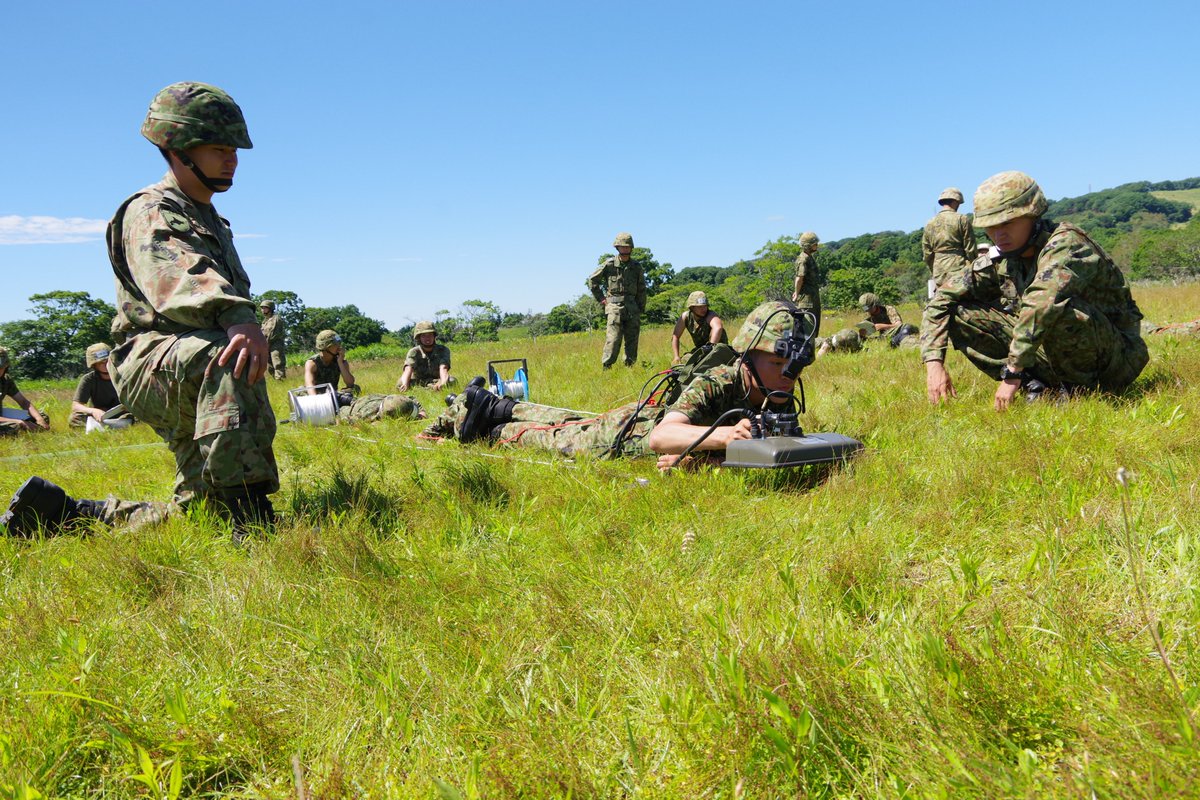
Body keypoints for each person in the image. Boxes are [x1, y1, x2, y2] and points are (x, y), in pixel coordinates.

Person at [3, 81, 276, 537]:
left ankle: (64, 514)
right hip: (152, 359)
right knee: (227, 356)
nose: (232, 158)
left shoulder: (208, 218)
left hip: (180, 364)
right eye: (217, 147)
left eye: (234, 148)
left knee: (198, 509)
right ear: (178, 149)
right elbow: (179, 283)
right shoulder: (152, 210)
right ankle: (250, 517)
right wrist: (240, 318)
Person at [425, 300, 811, 471]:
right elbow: (663, 436)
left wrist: (701, 460)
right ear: (746, 355)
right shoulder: (718, 380)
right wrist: (723, 439)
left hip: (634, 427)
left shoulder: (775, 398)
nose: (786, 377)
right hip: (624, 437)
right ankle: (466, 414)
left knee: (564, 419)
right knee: (543, 435)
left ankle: (491, 404)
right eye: (777, 364)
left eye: (792, 368)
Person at [921, 171, 1148, 411]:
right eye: (990, 227)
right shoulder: (1003, 258)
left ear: (1032, 214)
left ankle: (1079, 392)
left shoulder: (1066, 244)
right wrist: (934, 363)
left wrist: (1012, 372)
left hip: (1116, 360)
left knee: (1057, 309)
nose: (998, 235)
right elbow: (940, 300)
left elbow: (1041, 304)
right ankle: (1037, 386)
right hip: (1053, 355)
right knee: (960, 313)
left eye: (1007, 223)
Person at [303, 329, 424, 423]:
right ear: (327, 347)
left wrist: (340, 362)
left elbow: (349, 382)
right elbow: (310, 386)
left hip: (332, 394)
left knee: (354, 388)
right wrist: (318, 404)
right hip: (315, 396)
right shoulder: (312, 363)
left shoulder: (341, 361)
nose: (340, 347)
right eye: (336, 345)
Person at [588, 232, 646, 368]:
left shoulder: (637, 266)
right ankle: (607, 366)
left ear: (631, 248)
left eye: (627, 247)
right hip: (614, 306)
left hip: (632, 307)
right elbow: (592, 280)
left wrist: (641, 307)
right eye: (622, 247)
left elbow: (642, 288)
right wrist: (602, 299)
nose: (625, 249)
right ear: (617, 247)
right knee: (613, 339)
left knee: (632, 339)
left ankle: (630, 366)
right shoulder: (609, 264)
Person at [921, 187, 978, 297]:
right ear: (955, 201)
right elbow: (970, 248)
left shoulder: (929, 223)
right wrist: (974, 268)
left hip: (939, 270)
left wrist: (934, 270)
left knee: (943, 301)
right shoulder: (962, 219)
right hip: (959, 266)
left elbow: (927, 253)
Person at [69, 343, 132, 430]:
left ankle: (111, 427)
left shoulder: (125, 375)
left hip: (123, 414)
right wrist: (93, 411)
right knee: (75, 418)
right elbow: (76, 406)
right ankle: (106, 428)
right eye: (101, 363)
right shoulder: (88, 379)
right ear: (94, 365)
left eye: (107, 361)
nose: (105, 365)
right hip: (98, 416)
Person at [0, 347, 51, 435]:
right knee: (14, 426)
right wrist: (19, 422)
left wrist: (39, 419)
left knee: (42, 417)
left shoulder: (5, 380)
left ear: (6, 366)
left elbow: (24, 402)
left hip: (2, 413)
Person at [670, 291, 728, 362]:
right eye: (700, 307)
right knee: (686, 360)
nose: (703, 309)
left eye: (705, 306)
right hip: (701, 350)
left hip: (718, 350)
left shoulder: (710, 315)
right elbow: (675, 336)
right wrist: (676, 356)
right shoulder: (685, 317)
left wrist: (710, 348)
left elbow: (718, 328)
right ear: (692, 308)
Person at [396, 320, 455, 391]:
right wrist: (405, 384)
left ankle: (434, 388)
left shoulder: (443, 350)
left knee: (452, 381)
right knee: (400, 383)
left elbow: (443, 368)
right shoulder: (413, 352)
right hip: (418, 381)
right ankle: (427, 389)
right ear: (419, 338)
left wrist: (443, 382)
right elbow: (408, 369)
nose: (427, 338)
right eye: (424, 336)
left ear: (434, 336)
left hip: (436, 380)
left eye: (430, 335)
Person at [791, 232, 822, 335]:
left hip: (812, 296)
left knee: (814, 324)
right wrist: (796, 293)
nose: (816, 245)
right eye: (815, 243)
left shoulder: (808, 257)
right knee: (807, 324)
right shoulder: (803, 259)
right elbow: (799, 278)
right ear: (808, 245)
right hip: (807, 299)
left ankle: (812, 345)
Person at [259, 300, 287, 380]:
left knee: (278, 364)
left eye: (265, 308)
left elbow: (273, 334)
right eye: (262, 308)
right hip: (267, 345)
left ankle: (281, 381)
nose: (263, 310)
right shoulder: (265, 321)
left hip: (275, 345)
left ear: (270, 308)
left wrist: (266, 344)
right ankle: (274, 381)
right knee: (269, 366)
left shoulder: (275, 319)